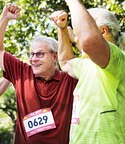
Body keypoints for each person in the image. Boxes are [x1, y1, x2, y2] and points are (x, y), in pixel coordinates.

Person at [0, 3, 78, 144]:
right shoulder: (22, 73)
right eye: (31, 54)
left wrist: (66, 32)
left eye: (40, 54)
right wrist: (4, 18)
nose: (33, 59)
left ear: (55, 56)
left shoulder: (70, 78)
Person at [50, 0, 125, 143]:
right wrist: (63, 29)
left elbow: (89, 41)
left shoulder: (118, 59)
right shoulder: (88, 64)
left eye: (79, 32)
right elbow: (65, 62)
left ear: (103, 31)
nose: (77, 38)